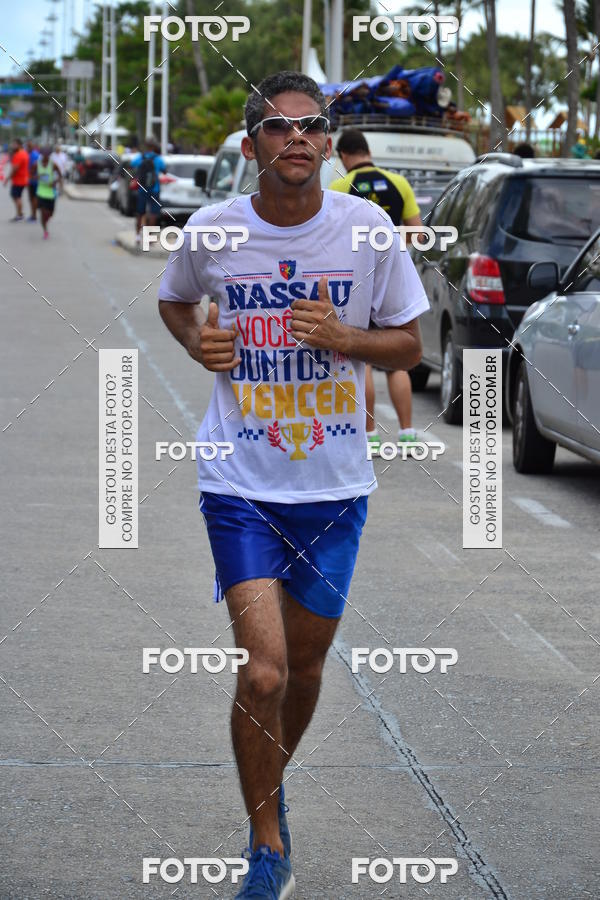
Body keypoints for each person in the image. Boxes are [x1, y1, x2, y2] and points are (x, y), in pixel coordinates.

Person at [158, 70, 429, 898]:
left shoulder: (369, 230)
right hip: (238, 479)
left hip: (336, 485)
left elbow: (409, 346)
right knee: (266, 672)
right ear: (253, 147)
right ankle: (267, 842)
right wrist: (199, 339)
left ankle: (267, 785)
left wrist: (347, 335)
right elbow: (176, 303)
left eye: (312, 126)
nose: (298, 139)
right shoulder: (212, 231)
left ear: (328, 142)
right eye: (279, 129)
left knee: (306, 673)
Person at [329, 128, 424, 447]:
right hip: (393, 281)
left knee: (363, 358)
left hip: (356, 282)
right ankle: (408, 433)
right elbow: (418, 235)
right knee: (397, 360)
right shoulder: (399, 184)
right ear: (367, 150)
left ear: (343, 155)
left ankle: (368, 435)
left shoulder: (339, 187)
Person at [130, 137, 166, 245]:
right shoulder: (158, 159)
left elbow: (132, 164)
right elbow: (164, 170)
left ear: (146, 146)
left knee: (140, 213)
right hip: (155, 189)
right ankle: (149, 238)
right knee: (153, 214)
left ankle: (137, 236)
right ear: (155, 147)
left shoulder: (140, 157)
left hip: (142, 188)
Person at [35, 147, 63, 239]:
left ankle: (46, 220)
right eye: (44, 154)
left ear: (50, 155)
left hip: (51, 192)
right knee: (43, 212)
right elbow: (30, 174)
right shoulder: (37, 164)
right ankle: (45, 230)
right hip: (41, 191)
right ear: (42, 154)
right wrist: (36, 177)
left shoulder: (53, 165)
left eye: (48, 154)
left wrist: (55, 182)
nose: (46, 156)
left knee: (50, 214)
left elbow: (60, 176)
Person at [3, 138, 29, 221]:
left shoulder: (19, 155)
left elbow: (15, 169)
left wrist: (7, 179)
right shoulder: (23, 153)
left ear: (19, 145)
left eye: (14, 144)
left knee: (16, 197)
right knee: (16, 196)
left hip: (19, 180)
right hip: (22, 179)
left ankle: (19, 214)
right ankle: (20, 213)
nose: (12, 146)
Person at [26, 140, 40, 221]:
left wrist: (31, 176)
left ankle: (34, 215)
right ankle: (33, 214)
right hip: (34, 179)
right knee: (33, 198)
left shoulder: (33, 155)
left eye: (28, 146)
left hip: (33, 180)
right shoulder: (35, 154)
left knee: (33, 198)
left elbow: (34, 167)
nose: (27, 148)